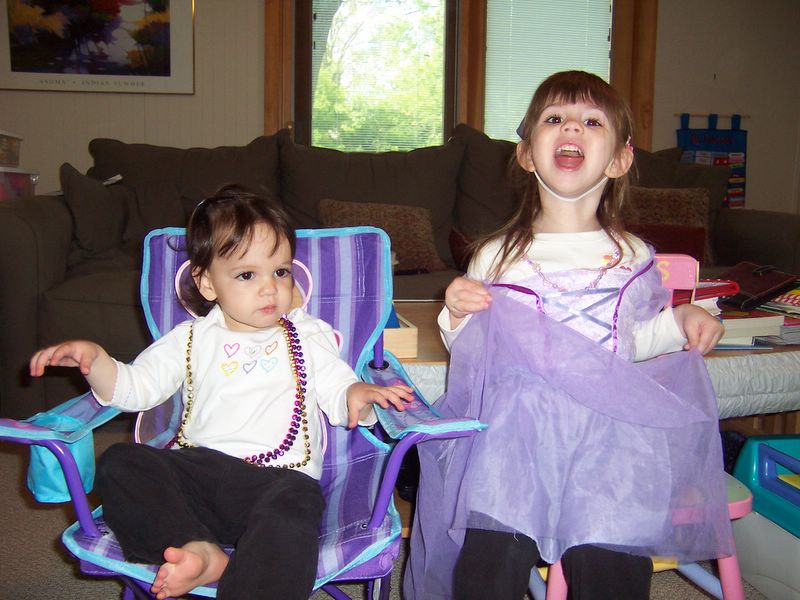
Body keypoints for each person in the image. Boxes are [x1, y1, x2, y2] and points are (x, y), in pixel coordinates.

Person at [404, 71, 732, 600]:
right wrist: (457, 314)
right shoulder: (496, 255)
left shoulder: (633, 256)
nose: (572, 127)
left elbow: (630, 344)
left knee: (612, 569)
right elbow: (474, 355)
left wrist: (678, 324)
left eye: (592, 121)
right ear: (526, 153)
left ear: (620, 159)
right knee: (487, 568)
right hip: (516, 438)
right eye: (554, 118)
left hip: (611, 438)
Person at [29, 184, 413, 600]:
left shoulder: (306, 333)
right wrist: (97, 361)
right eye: (247, 275)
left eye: (281, 271)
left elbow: (338, 386)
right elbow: (136, 388)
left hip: (278, 481)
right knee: (121, 463)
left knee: (296, 507)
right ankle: (196, 549)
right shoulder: (190, 337)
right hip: (197, 475)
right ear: (207, 283)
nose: (270, 288)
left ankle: (239, 578)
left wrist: (356, 395)